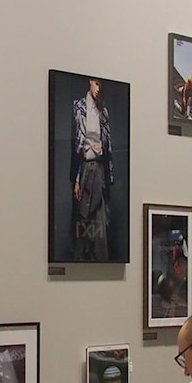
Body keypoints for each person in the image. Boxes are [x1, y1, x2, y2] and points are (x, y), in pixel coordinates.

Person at [69, 78, 114, 260]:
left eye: (100, 86)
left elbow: (107, 144)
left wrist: (100, 149)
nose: (98, 89)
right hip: (85, 167)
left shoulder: (103, 111)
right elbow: (76, 145)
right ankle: (81, 260)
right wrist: (77, 179)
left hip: (100, 169)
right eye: (96, 84)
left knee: (100, 220)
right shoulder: (78, 107)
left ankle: (100, 262)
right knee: (82, 218)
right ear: (90, 82)